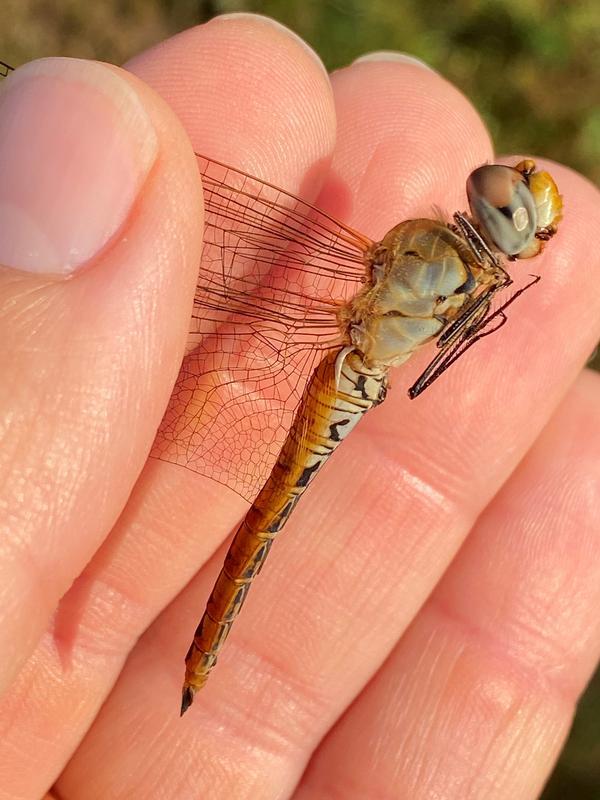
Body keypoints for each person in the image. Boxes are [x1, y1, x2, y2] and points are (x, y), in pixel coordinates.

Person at [0, 13, 598, 800]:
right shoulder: (463, 279)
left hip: (354, 370)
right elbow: (424, 370)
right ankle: (198, 660)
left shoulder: (454, 272)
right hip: (355, 369)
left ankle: (201, 654)